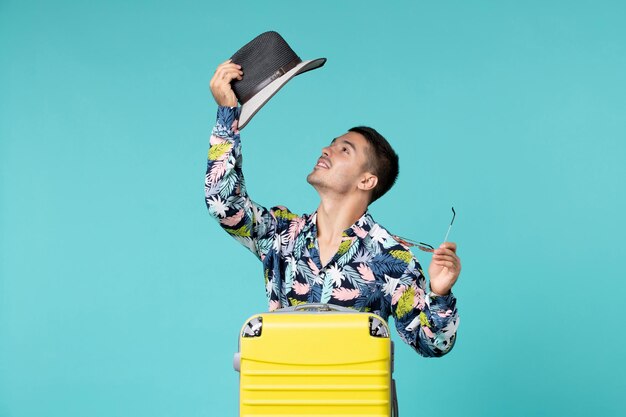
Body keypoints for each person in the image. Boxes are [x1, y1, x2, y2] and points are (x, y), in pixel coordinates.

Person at [205, 59, 462, 357]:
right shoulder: (281, 233)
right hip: (278, 395)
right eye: (331, 144)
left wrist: (440, 293)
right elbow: (223, 204)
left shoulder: (393, 260)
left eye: (344, 150)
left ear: (366, 180)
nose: (326, 150)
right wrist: (227, 116)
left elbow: (432, 344)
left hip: (353, 400)